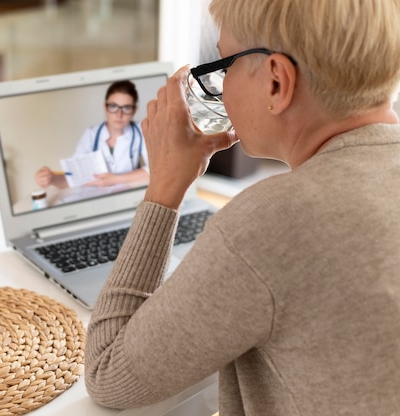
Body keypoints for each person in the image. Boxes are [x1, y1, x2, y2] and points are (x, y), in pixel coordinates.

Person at [85, 1, 400, 415]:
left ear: (276, 82)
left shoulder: (274, 221)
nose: (221, 80)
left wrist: (165, 183)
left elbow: (108, 373)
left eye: (224, 62)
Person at [35, 80, 149, 189]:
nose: (119, 114)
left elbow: (155, 171)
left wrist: (114, 179)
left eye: (126, 108)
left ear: (134, 110)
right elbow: (74, 178)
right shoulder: (91, 135)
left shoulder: (142, 131)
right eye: (113, 106)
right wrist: (50, 179)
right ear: (105, 107)